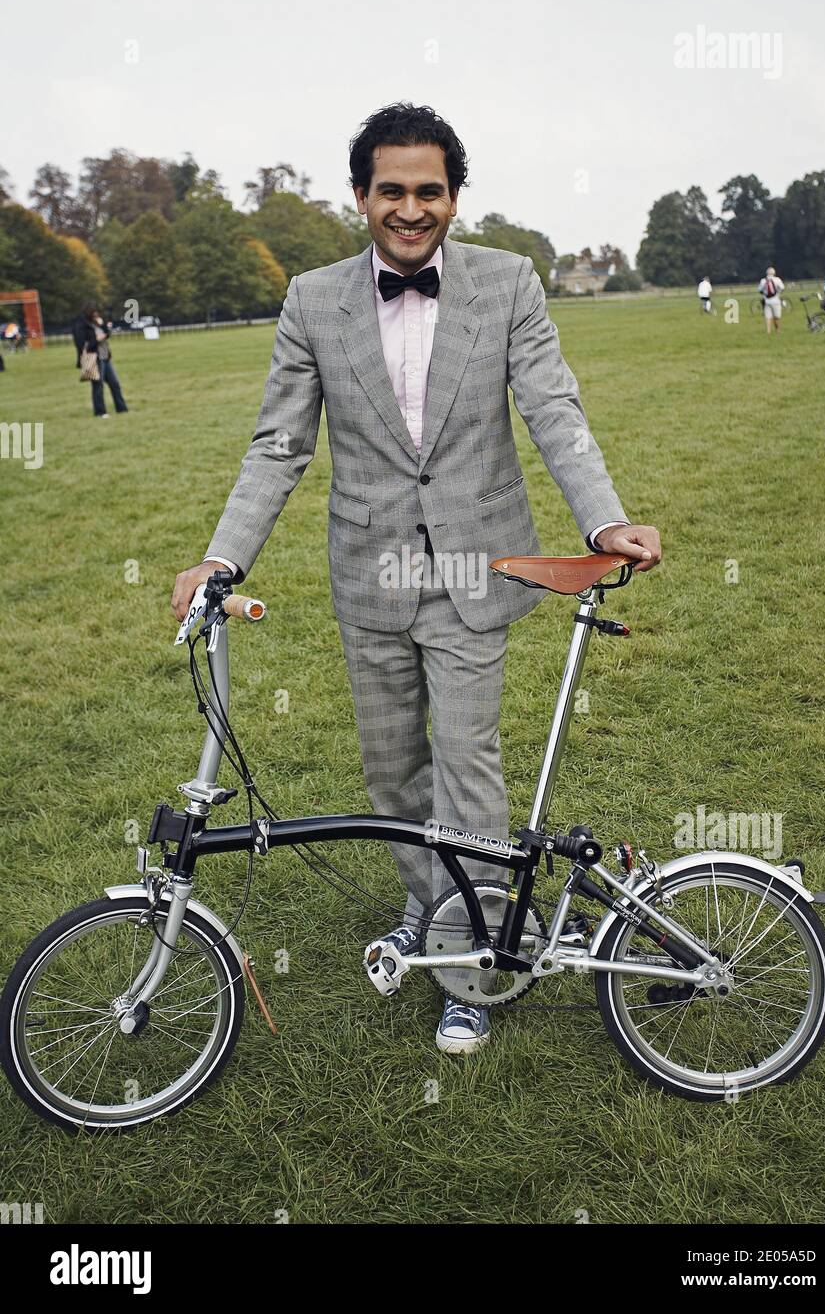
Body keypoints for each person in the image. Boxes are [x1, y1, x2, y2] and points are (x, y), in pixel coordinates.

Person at [170, 102, 661, 1055]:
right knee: (393, 771)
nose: (410, 208)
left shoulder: (508, 281)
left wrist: (604, 517)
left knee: (467, 766)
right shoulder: (313, 300)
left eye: (428, 191)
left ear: (453, 196)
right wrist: (223, 556)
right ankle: (423, 911)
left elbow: (554, 409)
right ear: (360, 197)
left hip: (478, 569)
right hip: (370, 575)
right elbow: (279, 444)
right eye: (390, 190)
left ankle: (474, 961)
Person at [72, 304, 129, 417]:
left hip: (105, 357)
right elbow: (82, 344)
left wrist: (102, 324)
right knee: (98, 386)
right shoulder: (81, 326)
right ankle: (100, 412)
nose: (96, 315)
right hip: (94, 358)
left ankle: (122, 409)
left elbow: (107, 333)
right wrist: (97, 339)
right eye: (94, 313)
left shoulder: (97, 323)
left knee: (115, 383)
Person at [758, 266, 785, 336]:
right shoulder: (777, 280)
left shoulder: (763, 280)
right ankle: (778, 331)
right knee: (776, 317)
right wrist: (778, 292)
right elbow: (782, 288)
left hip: (767, 301)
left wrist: (765, 294)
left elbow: (760, 290)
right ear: (774, 273)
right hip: (776, 301)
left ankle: (768, 332)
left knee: (768, 317)